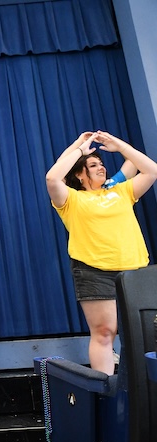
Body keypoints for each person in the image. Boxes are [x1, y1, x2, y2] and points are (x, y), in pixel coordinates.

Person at [46, 130, 157, 375]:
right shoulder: (71, 199)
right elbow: (53, 177)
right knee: (105, 332)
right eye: (93, 165)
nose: (101, 168)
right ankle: (105, 386)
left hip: (134, 270)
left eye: (102, 164)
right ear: (79, 174)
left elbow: (151, 170)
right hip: (93, 271)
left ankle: (144, 386)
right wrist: (79, 147)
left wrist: (118, 145)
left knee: (142, 333)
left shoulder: (121, 191)